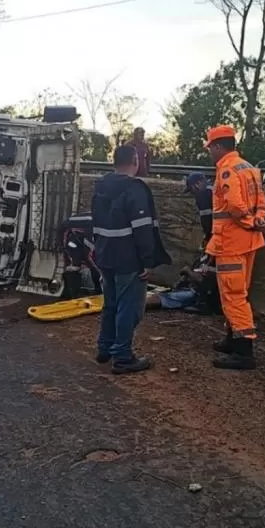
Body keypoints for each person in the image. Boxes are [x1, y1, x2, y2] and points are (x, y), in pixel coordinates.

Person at [91, 144, 172, 374]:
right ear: (135, 160)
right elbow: (143, 229)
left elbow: (94, 224)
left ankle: (105, 348)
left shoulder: (101, 186)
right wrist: (147, 261)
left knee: (111, 304)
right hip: (128, 259)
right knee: (129, 308)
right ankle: (123, 356)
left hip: (105, 255)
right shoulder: (134, 189)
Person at [203, 125, 265, 370]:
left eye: (211, 148)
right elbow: (261, 202)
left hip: (231, 241)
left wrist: (248, 221)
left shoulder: (228, 170)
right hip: (249, 241)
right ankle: (232, 339)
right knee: (238, 291)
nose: (210, 152)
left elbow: (234, 205)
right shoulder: (250, 168)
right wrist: (257, 221)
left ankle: (244, 352)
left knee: (233, 295)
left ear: (219, 147)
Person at [145, 254, 222, 315]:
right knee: (160, 293)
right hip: (190, 288)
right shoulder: (202, 258)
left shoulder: (216, 260)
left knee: (161, 298)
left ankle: (138, 305)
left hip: (200, 295)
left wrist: (188, 271)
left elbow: (203, 280)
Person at [183, 172, 212, 248]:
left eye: (191, 189)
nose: (193, 193)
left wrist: (207, 239)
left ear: (197, 184)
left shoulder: (202, 195)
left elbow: (207, 221)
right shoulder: (212, 190)